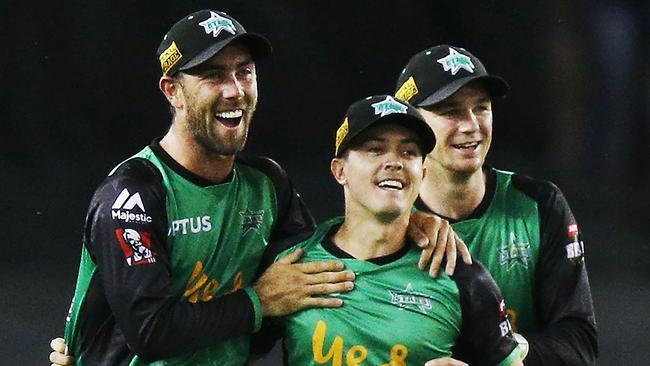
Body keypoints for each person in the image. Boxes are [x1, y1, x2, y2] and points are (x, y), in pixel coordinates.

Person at [49, 11, 467, 366]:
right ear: (172, 90)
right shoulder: (135, 193)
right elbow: (150, 329)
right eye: (213, 75)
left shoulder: (266, 184)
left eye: (244, 71)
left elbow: (322, 270)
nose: (235, 89)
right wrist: (258, 302)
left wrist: (406, 220)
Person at [249, 95, 524, 366]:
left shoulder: (462, 276)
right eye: (375, 150)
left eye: (409, 152)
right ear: (340, 171)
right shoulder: (291, 266)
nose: (395, 162)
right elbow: (233, 355)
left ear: (423, 174)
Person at [394, 45, 598, 365]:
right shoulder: (387, 218)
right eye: (450, 111)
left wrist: (505, 348)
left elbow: (579, 346)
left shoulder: (538, 205)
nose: (471, 125)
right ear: (411, 126)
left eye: (481, 107)